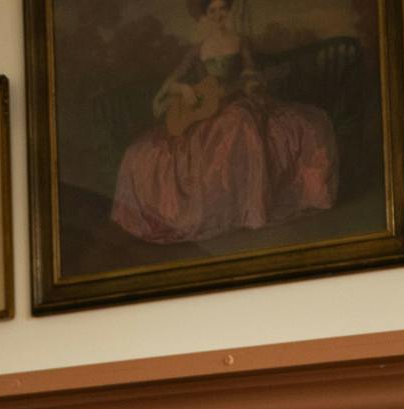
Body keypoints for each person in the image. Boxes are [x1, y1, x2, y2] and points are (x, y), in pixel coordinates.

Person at [110, 0, 338, 245]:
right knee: (214, 130)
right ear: (206, 15)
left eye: (223, 9)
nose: (219, 15)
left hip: (236, 100)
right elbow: (171, 82)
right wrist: (185, 89)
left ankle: (250, 208)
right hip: (210, 107)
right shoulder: (199, 49)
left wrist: (252, 83)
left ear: (228, 11)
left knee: (242, 120)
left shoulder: (239, 41)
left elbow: (249, 71)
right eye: (213, 10)